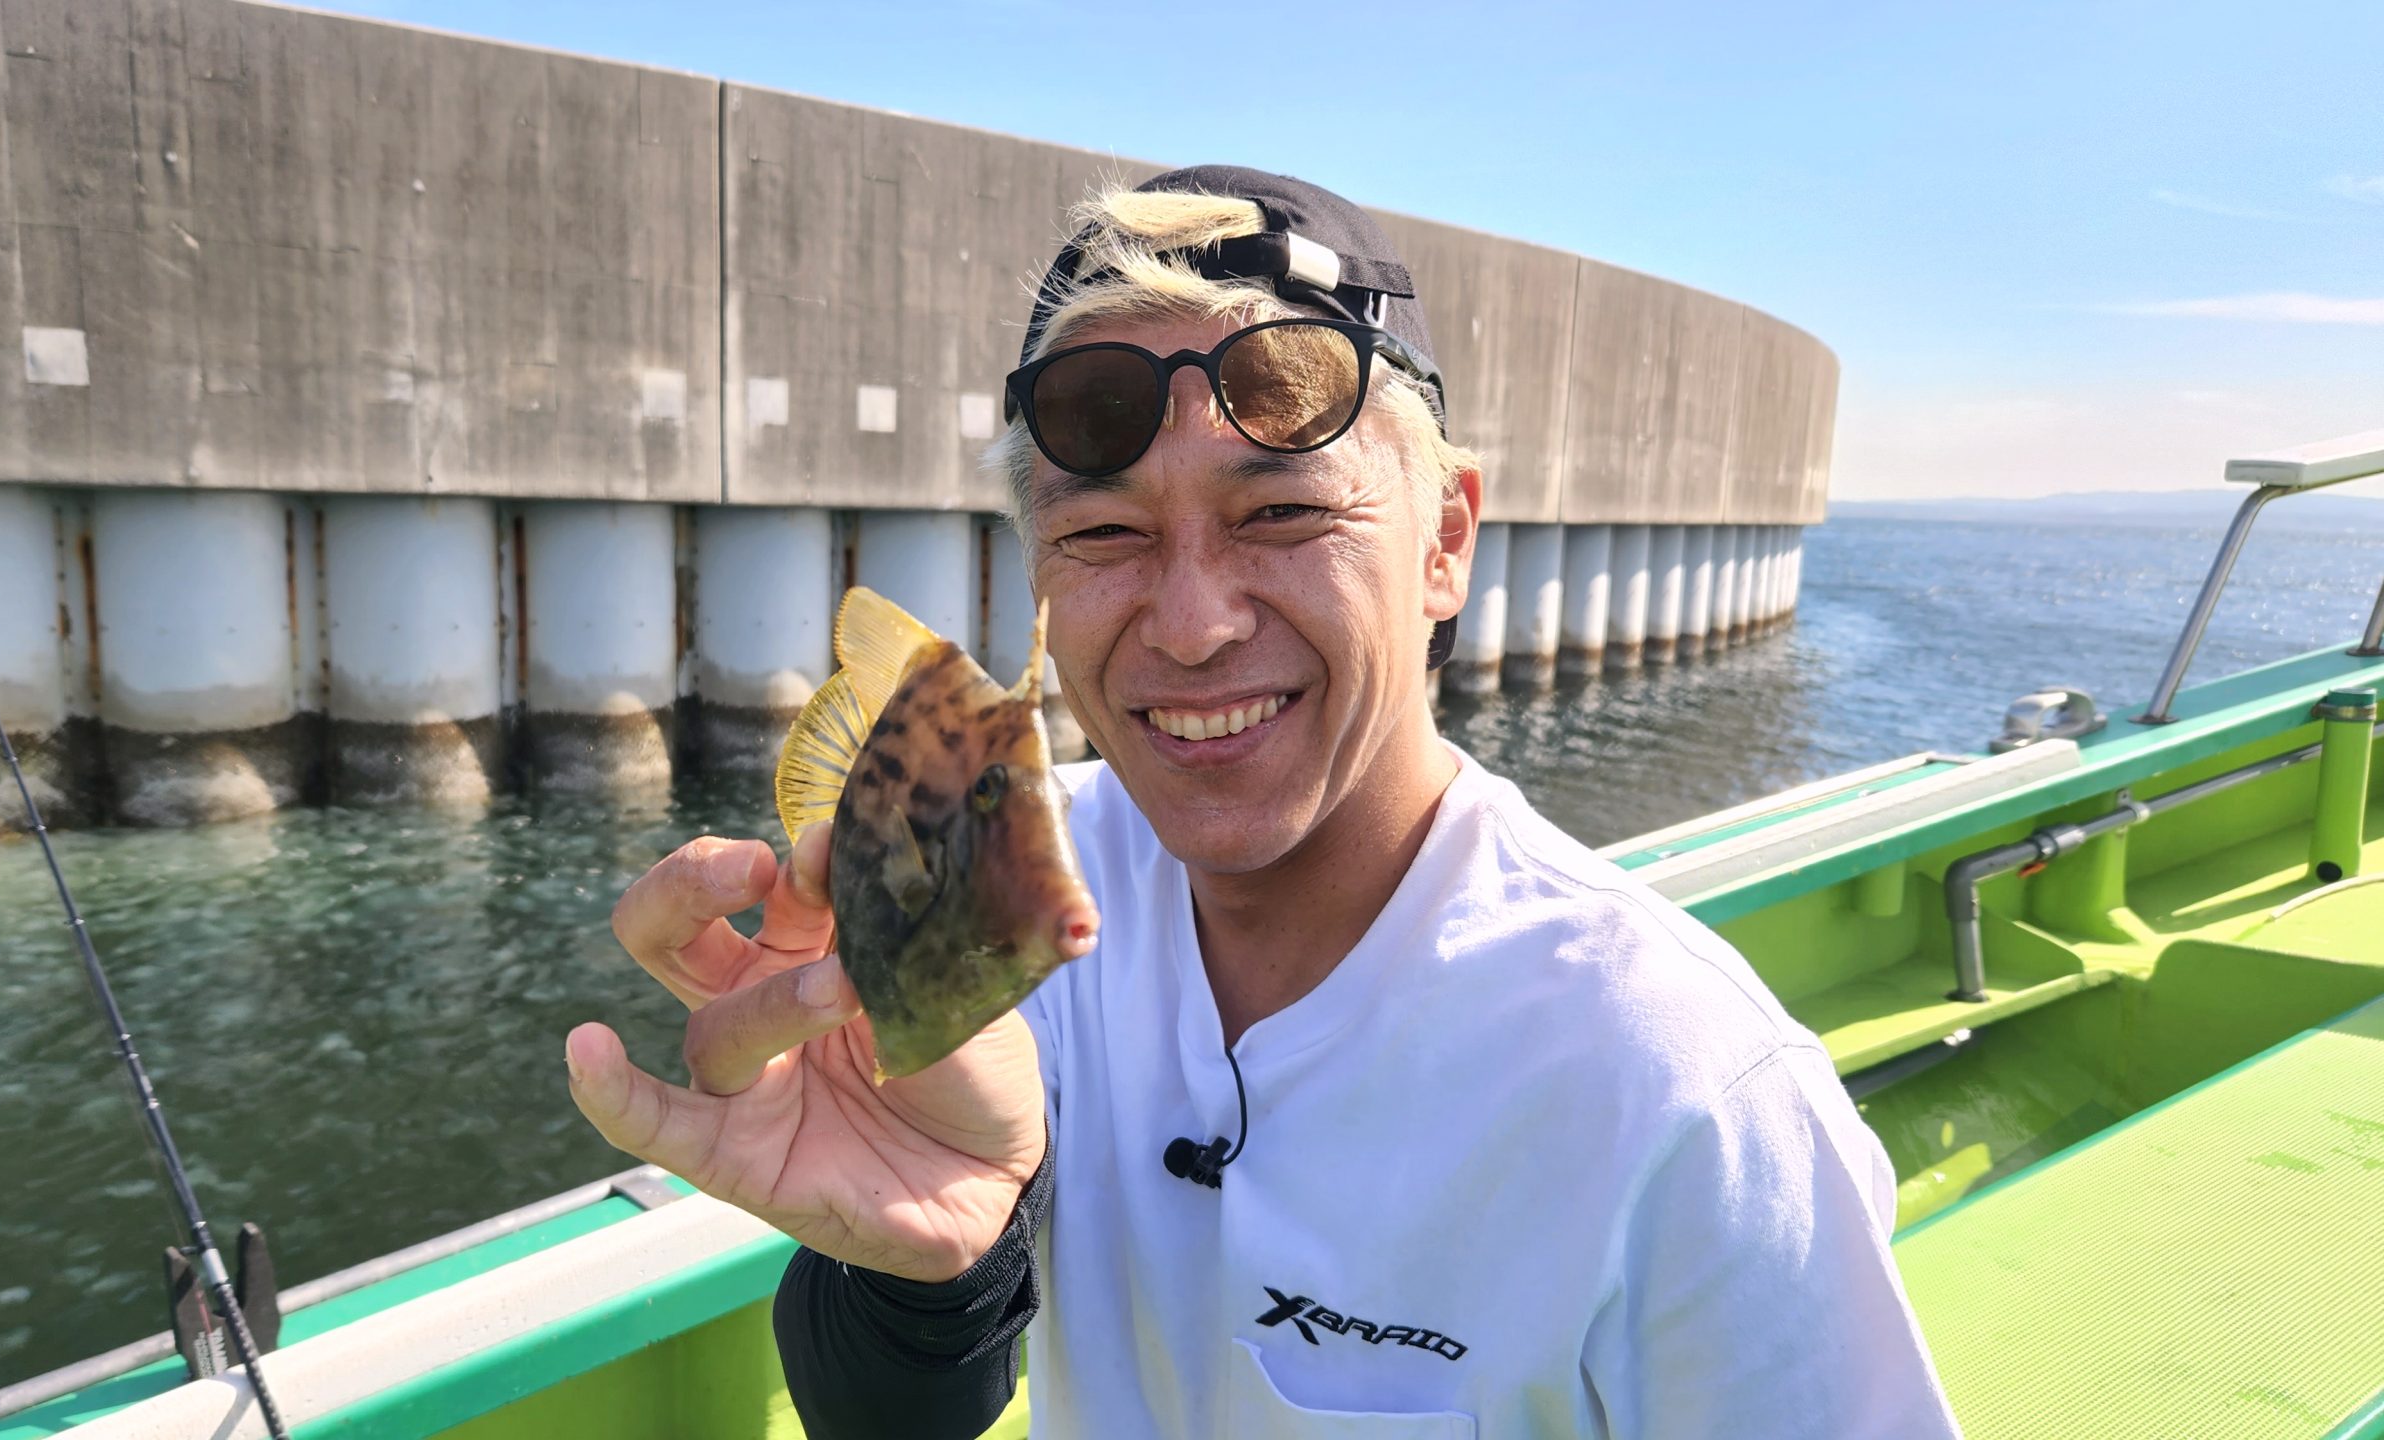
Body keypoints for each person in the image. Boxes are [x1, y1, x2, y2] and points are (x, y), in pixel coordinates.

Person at [566, 165, 1960, 1438]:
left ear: (1446, 540)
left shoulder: (1674, 1093)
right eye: (1104, 535)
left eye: (1282, 515)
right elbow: (892, 1408)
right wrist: (941, 1263)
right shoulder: (997, 897)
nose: (1189, 624)